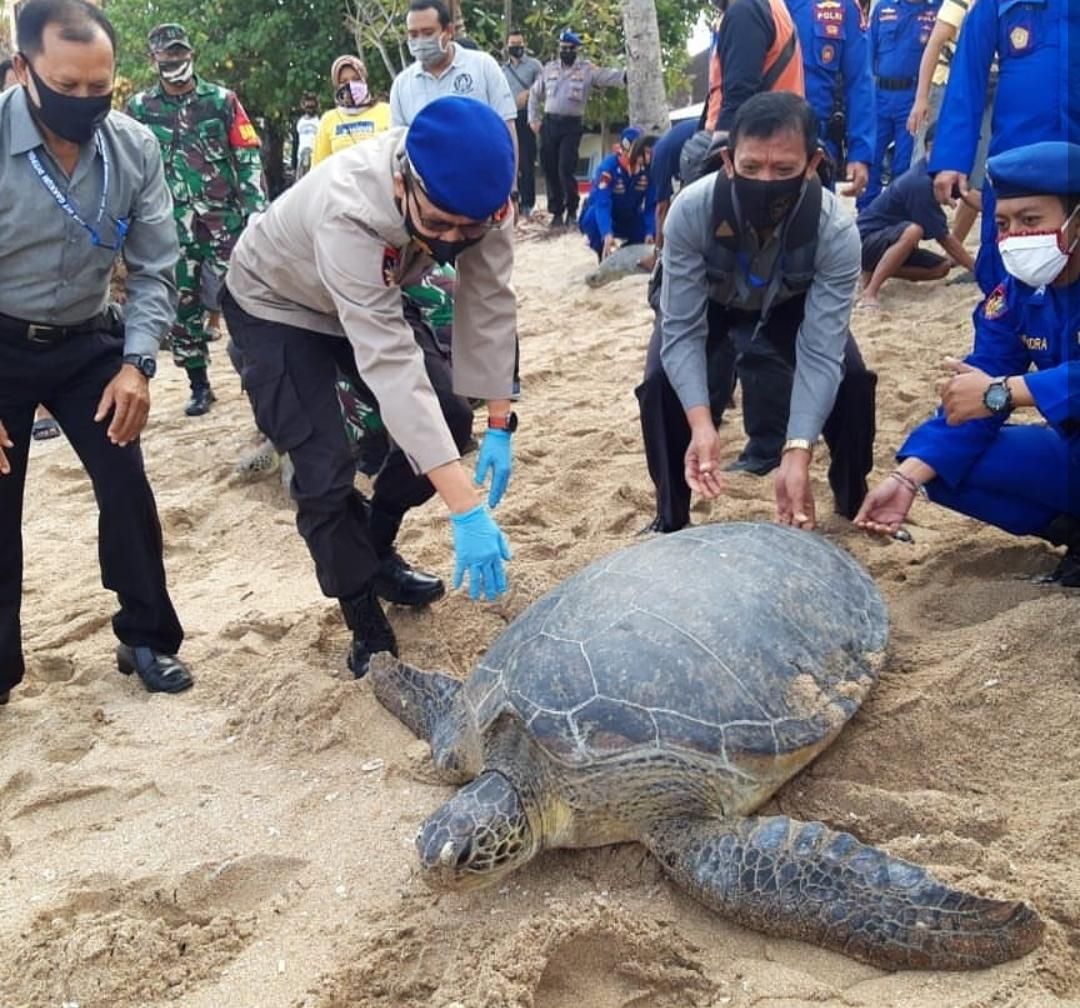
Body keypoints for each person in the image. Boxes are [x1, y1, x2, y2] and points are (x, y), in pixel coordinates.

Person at [221, 96, 518, 678]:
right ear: (404, 179)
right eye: (436, 225)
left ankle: (378, 548)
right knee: (323, 468)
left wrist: (501, 422)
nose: (452, 242)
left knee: (453, 420)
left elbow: (488, 305)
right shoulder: (350, 208)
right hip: (276, 302)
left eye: (470, 228)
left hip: (367, 294)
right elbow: (390, 365)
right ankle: (361, 609)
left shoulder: (485, 199)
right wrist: (466, 509)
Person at [0, 0, 193, 707]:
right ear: (24, 70)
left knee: (126, 483)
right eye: (66, 86)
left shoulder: (136, 147)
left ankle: (146, 635)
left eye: (99, 86)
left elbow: (154, 269)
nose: (86, 101)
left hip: (88, 340)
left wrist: (137, 363)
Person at [638, 92, 877, 533]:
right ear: (728, 161)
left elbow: (821, 352)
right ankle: (669, 518)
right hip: (711, 301)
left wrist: (797, 449)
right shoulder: (691, 210)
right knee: (658, 384)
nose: (766, 181)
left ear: (812, 164)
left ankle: (852, 500)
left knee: (854, 378)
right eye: (751, 168)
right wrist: (702, 424)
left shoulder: (836, 231)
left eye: (783, 169)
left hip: (789, 301)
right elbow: (681, 332)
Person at [856, 141, 1080, 587]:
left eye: (1031, 220)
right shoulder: (1015, 293)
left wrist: (1004, 392)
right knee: (944, 467)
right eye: (1002, 223)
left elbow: (993, 390)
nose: (1015, 235)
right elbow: (977, 386)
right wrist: (906, 479)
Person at [125, 23, 266, 417]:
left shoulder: (221, 100)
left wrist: (258, 212)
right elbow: (128, 165)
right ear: (153, 59)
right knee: (182, 306)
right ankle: (199, 384)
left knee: (244, 299)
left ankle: (259, 376)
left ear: (192, 55)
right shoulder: (139, 109)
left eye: (181, 53)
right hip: (169, 228)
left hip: (225, 224)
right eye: (167, 56)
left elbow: (247, 155)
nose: (176, 62)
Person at [929, 0, 1079, 295]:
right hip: (1015, 155)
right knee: (1005, 261)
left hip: (1075, 148)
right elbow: (968, 70)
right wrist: (951, 157)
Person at [856, 123, 975, 308]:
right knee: (914, 231)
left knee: (941, 268)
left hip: (891, 241)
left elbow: (971, 195)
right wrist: (976, 269)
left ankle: (876, 269)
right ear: (931, 148)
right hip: (865, 241)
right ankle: (870, 292)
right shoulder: (920, 182)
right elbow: (944, 238)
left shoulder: (938, 175)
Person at [906, 0, 990, 250]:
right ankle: (907, 242)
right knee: (925, 169)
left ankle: (953, 249)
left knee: (978, 176)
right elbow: (934, 43)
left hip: (989, 88)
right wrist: (921, 98)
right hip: (947, 86)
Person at [528, 29, 626, 229]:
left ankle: (571, 210)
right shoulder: (549, 69)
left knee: (566, 167)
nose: (566, 52)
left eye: (570, 49)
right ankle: (556, 213)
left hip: (571, 125)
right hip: (549, 123)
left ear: (576, 50)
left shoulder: (586, 69)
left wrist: (626, 76)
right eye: (563, 48)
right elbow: (534, 94)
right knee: (550, 168)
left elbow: (606, 76)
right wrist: (533, 119)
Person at [858, 0, 942, 211]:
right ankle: (866, 214)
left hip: (913, 99)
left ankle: (897, 215)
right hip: (880, 95)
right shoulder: (883, 8)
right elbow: (868, 54)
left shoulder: (938, 10)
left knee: (904, 164)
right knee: (871, 156)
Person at [786, 0, 874, 198]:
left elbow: (860, 83)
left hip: (819, 145)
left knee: (817, 220)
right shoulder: (758, 4)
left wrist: (860, 153)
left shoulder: (844, 8)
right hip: (763, 139)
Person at [391, 0, 517, 137]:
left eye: (428, 33)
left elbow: (507, 130)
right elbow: (397, 145)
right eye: (413, 35)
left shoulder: (483, 67)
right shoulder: (401, 85)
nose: (420, 41)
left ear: (449, 31)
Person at [702, 0, 805, 135]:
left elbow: (739, 96)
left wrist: (719, 148)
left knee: (688, 150)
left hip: (757, 139)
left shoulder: (745, 12)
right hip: (780, 132)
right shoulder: (769, 7)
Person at [579, 128, 658, 260]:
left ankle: (626, 252)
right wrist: (606, 233)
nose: (646, 156)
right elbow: (602, 204)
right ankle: (602, 252)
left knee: (655, 228)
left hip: (629, 216)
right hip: (606, 215)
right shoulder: (608, 169)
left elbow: (651, 205)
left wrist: (650, 231)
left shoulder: (648, 171)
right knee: (592, 219)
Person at [312, 56, 391, 164]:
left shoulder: (386, 111)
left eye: (356, 79)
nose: (351, 85)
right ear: (336, 86)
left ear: (364, 80)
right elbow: (318, 167)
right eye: (343, 81)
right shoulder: (328, 119)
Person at [502, 29, 543, 220]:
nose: (516, 48)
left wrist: (529, 93)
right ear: (507, 46)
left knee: (526, 161)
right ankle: (510, 201)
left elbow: (545, 85)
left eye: (519, 44)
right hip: (507, 118)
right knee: (510, 161)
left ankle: (528, 203)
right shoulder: (502, 71)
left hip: (527, 115)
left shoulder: (534, 66)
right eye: (513, 45)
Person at [293, 92, 319, 179]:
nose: (310, 109)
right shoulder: (300, 122)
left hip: (315, 156)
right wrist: (293, 163)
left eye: (312, 107)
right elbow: (295, 142)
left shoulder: (320, 121)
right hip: (301, 156)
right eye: (308, 107)